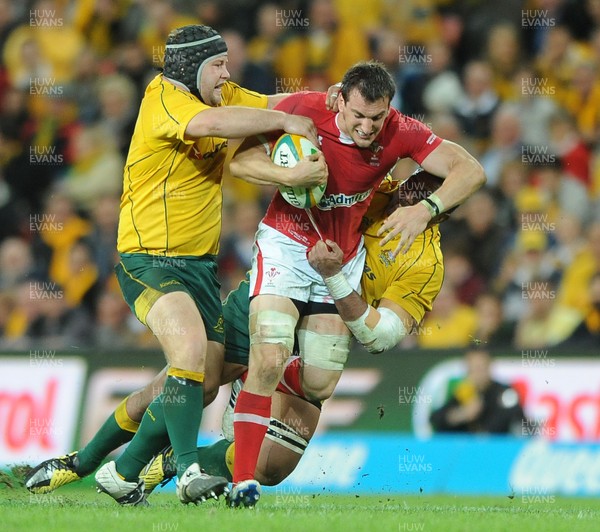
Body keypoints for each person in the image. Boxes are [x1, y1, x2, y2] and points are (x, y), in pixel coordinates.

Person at [23, 168, 450, 499]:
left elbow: (383, 336)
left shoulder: (425, 265)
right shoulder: (376, 187)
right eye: (415, 184)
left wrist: (337, 280)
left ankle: (172, 463)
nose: (412, 196)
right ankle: (81, 462)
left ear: (443, 210)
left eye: (428, 195)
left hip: (321, 333)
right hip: (273, 296)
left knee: (273, 467)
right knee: (192, 381)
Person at [227, 60, 485, 507]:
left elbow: (472, 170)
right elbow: (239, 158)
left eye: (376, 118)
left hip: (338, 265)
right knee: (268, 352)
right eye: (358, 115)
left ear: (390, 111)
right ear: (341, 100)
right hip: (287, 244)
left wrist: (426, 210)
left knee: (320, 385)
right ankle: (239, 482)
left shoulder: (422, 252)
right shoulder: (308, 108)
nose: (367, 128)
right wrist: (288, 176)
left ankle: (252, 393)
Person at [87, 23, 326, 507]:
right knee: (191, 351)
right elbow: (210, 126)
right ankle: (190, 467)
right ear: (188, 68)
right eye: (216, 65)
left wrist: (330, 101)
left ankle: (123, 471)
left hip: (199, 267)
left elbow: (274, 103)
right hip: (148, 259)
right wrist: (281, 129)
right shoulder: (165, 100)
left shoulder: (223, 96)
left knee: (207, 377)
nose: (226, 73)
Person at [429, 348, 526, 434]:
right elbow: (436, 418)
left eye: (480, 368)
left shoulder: (504, 392)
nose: (477, 374)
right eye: (473, 369)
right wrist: (462, 414)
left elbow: (516, 418)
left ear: (489, 367)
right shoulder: (465, 392)